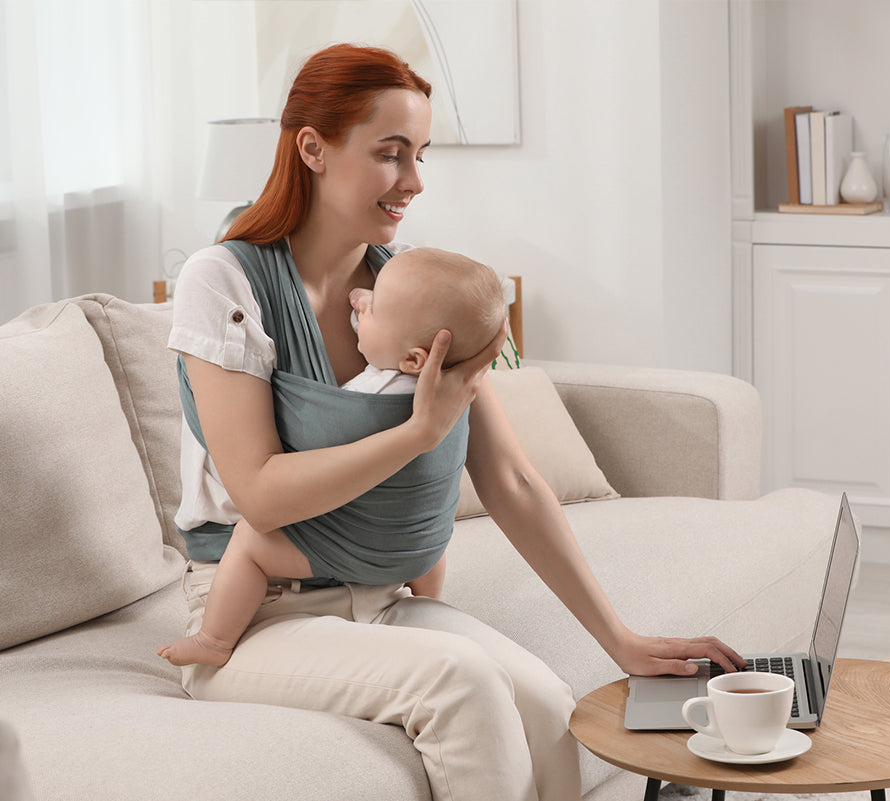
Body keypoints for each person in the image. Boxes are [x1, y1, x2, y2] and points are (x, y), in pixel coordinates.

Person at [165, 42, 745, 801]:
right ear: (312, 147)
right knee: (463, 682)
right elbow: (262, 494)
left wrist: (621, 639)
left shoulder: (402, 286)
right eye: (391, 154)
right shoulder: (224, 280)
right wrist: (416, 433)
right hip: (251, 615)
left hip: (377, 593)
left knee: (545, 701)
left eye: (420, 155)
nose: (413, 181)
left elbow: (506, 476)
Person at [158, 247, 506, 667]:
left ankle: (214, 639)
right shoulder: (447, 387)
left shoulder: (365, 396)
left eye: (371, 308)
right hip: (416, 555)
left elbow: (294, 477)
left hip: (340, 552)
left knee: (251, 539)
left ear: (414, 359)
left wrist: (417, 436)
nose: (358, 301)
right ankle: (427, 605)